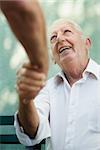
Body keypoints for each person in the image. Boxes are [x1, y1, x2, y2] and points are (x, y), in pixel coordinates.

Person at [15, 18, 100, 150]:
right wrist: (25, 98)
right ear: (53, 59)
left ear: (86, 43)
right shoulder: (47, 89)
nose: (59, 39)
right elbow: (32, 132)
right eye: (53, 38)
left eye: (67, 31)